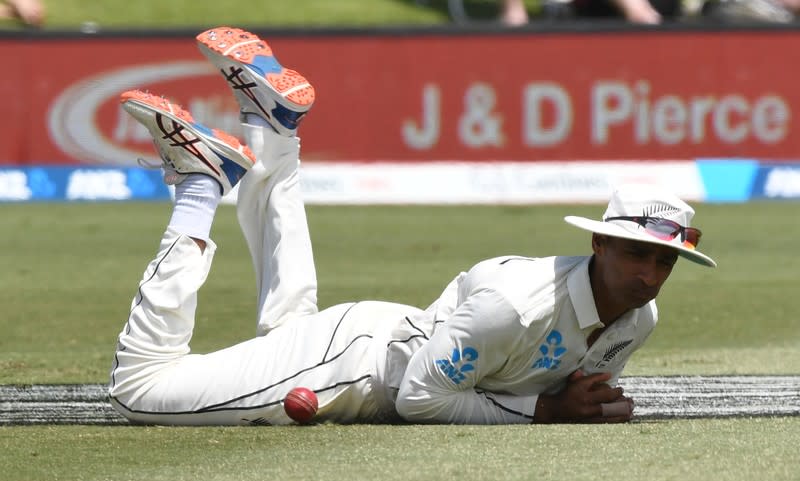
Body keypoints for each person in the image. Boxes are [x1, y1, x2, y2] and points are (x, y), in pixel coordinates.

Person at [108, 26, 716, 427]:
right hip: (352, 367)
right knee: (140, 391)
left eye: (665, 261)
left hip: (374, 341)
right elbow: (421, 398)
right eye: (638, 253)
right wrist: (545, 412)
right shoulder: (513, 305)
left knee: (284, 328)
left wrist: (592, 405)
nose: (651, 274)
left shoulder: (641, 318)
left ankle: (273, 126)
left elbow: (572, 391)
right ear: (600, 241)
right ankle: (199, 186)